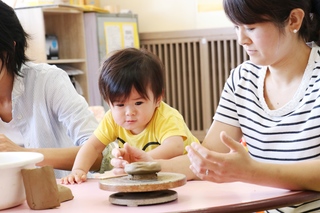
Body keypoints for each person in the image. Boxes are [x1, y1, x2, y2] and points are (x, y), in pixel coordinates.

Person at [111, 0, 320, 212]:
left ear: (294, 20)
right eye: (236, 27)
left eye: (250, 27)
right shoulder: (242, 79)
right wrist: (149, 166)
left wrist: (251, 172)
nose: (241, 39)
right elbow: (207, 155)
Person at [61, 47, 200, 184]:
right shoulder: (111, 119)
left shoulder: (166, 117)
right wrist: (78, 170)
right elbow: (92, 146)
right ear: (109, 103)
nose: (129, 112)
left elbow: (175, 147)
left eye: (138, 103)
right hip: (150, 178)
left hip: (189, 174)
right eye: (120, 105)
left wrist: (142, 160)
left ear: (158, 98)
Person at [0, 1, 102, 178]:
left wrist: (24, 155)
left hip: (65, 196)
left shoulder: (48, 81)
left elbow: (98, 156)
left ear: (11, 46)